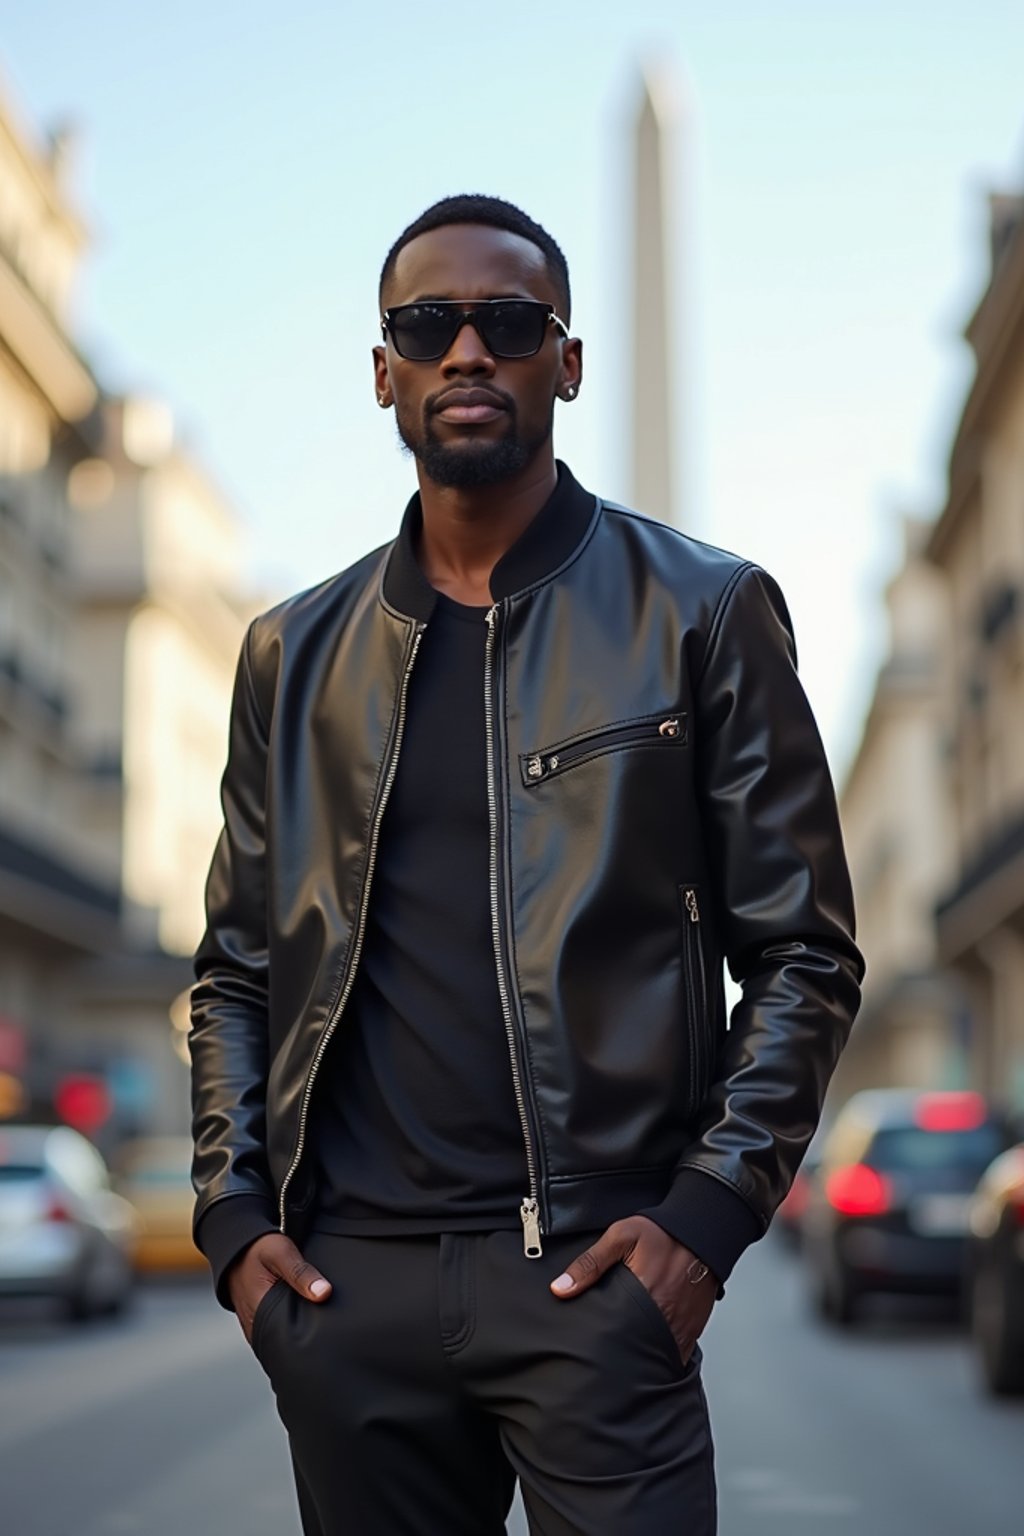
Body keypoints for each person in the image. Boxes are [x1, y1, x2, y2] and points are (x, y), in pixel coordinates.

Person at [190, 193, 863, 1536]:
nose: (466, 353)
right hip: (345, 1290)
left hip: (597, 1278)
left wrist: (704, 1218)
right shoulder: (291, 654)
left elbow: (802, 951)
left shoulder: (704, 611)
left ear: (565, 358)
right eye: (428, 325)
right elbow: (237, 972)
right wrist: (234, 1232)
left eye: (506, 322)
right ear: (384, 368)